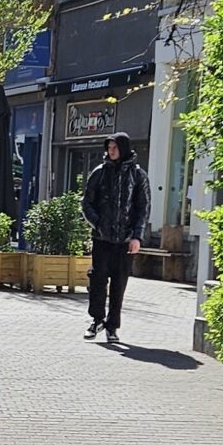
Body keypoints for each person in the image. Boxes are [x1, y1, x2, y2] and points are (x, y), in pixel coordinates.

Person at [81, 132, 150, 346]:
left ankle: (112, 327)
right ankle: (96, 320)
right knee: (98, 279)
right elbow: (86, 203)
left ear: (123, 148)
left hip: (125, 240)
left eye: (114, 148)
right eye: (108, 148)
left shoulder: (138, 176)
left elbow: (143, 208)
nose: (110, 152)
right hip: (102, 238)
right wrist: (98, 223)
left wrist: (137, 236)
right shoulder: (99, 173)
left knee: (119, 284)